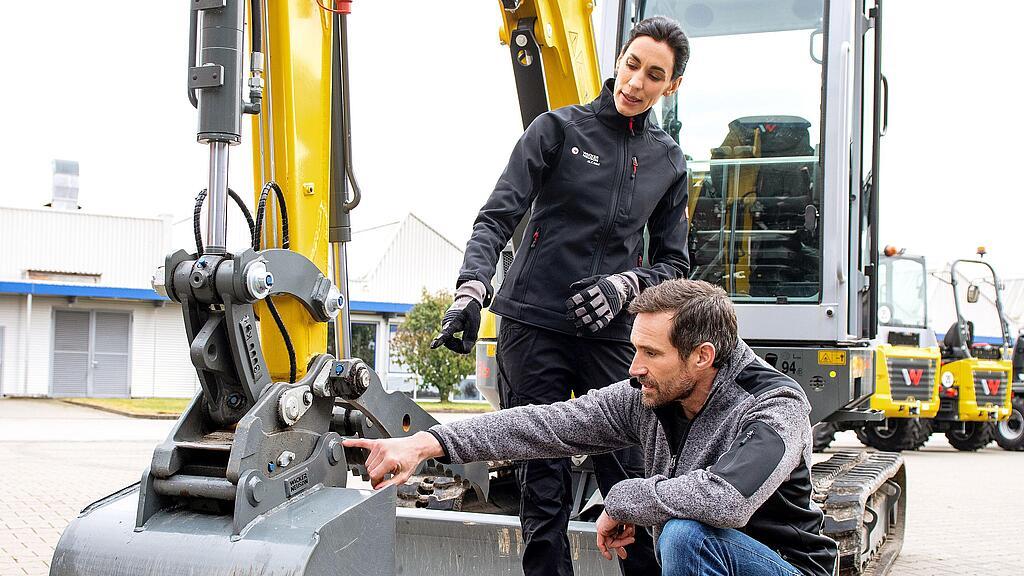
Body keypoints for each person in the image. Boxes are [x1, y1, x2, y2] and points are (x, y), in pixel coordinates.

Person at [428, 15, 691, 576]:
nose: (636, 82)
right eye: (631, 64)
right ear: (618, 59)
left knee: (629, 476)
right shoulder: (558, 129)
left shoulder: (668, 162)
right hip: (533, 325)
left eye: (654, 74)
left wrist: (625, 287)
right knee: (541, 484)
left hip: (611, 335)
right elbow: (496, 218)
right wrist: (471, 289)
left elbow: (674, 265)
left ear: (671, 86)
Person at [346, 279, 839, 576]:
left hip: (786, 566)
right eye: (635, 350)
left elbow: (725, 500)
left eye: (651, 353)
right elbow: (548, 423)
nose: (634, 367)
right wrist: (427, 442)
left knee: (685, 533)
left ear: (702, 356)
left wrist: (622, 499)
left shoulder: (775, 406)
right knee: (677, 529)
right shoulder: (649, 395)